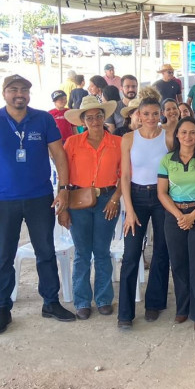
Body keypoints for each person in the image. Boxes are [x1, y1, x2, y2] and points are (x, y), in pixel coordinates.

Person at [0, 75, 75, 335]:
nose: (20, 94)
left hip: (40, 197)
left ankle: (50, 302)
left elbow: (59, 155)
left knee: (46, 252)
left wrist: (63, 189)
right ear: (4, 92)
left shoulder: (43, 119)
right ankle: (3, 307)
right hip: (4, 200)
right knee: (4, 256)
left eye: (24, 90)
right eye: (14, 90)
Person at [60, 96, 121, 320]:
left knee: (102, 251)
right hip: (78, 200)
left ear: (104, 117)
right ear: (83, 121)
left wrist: (115, 198)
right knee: (82, 252)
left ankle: (104, 298)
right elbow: (63, 177)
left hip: (107, 200)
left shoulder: (117, 142)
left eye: (98, 116)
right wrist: (63, 207)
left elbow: (125, 175)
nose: (95, 121)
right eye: (89, 117)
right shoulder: (73, 143)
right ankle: (82, 300)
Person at [157, 117, 195, 333]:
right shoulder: (167, 161)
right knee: (179, 263)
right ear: (177, 135)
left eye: (192, 132)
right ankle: (182, 308)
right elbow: (162, 193)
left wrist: (192, 215)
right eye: (183, 132)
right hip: (174, 216)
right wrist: (178, 215)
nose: (188, 137)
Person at [118, 97, 171, 328]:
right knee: (131, 254)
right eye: (146, 113)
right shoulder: (129, 138)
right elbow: (125, 176)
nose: (151, 118)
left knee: (161, 250)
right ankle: (125, 313)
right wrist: (128, 209)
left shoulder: (168, 137)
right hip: (136, 198)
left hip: (161, 197)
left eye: (155, 113)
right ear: (138, 114)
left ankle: (154, 303)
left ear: (160, 114)